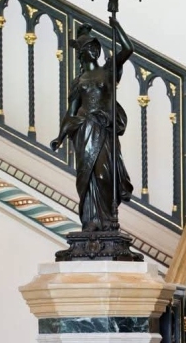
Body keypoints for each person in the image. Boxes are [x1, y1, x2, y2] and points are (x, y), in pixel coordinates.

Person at [51, 22, 134, 232]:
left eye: (94, 47)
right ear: (81, 53)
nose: (93, 51)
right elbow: (70, 113)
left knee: (104, 175)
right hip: (84, 130)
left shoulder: (108, 70)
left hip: (103, 129)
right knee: (86, 178)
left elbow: (127, 49)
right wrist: (60, 137)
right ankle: (91, 221)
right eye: (88, 48)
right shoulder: (78, 81)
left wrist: (115, 26)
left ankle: (107, 221)